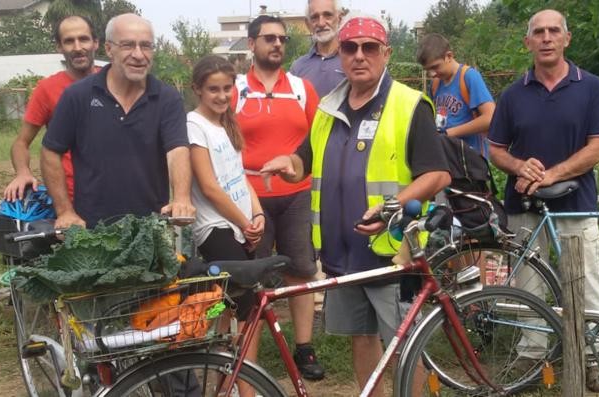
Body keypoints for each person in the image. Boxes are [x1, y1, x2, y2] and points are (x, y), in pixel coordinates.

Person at [261, 14, 451, 396]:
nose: (359, 55)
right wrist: (289, 165)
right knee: (362, 339)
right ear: (341, 54)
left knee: (404, 346)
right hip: (341, 254)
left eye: (369, 48)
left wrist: (391, 206)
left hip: (394, 251)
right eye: (350, 47)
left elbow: (437, 176)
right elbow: (304, 163)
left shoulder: (410, 104)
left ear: (386, 53)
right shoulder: (327, 108)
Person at [487, 9, 599, 392]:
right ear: (527, 42)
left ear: (566, 39)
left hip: (576, 203)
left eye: (553, 31)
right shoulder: (512, 94)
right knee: (528, 285)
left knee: (586, 283)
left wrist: (553, 173)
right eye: (538, 32)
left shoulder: (591, 87)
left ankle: (594, 357)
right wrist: (519, 165)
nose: (545, 38)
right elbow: (495, 150)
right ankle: (531, 356)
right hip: (524, 206)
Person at [233, 15, 325, 381]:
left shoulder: (302, 88)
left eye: (282, 39)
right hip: (248, 198)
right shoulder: (236, 89)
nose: (277, 45)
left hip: (297, 195)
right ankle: (246, 357)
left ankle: (304, 349)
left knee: (301, 272)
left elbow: (318, 141)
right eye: (269, 38)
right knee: (249, 277)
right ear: (251, 43)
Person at [41, 13, 194, 230]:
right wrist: (65, 211)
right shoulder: (78, 96)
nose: (139, 55)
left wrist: (181, 198)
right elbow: (50, 152)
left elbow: (177, 149)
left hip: (150, 228)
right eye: (128, 45)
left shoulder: (167, 98)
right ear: (109, 49)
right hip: (92, 229)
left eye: (146, 46)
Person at [187, 54, 266, 397]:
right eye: (212, 90)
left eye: (227, 88)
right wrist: (245, 222)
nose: (221, 96)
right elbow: (209, 187)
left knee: (236, 307)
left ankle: (231, 383)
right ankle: (240, 387)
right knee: (246, 308)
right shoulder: (194, 125)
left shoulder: (226, 123)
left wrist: (258, 214)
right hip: (216, 228)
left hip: (239, 225)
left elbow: (239, 177)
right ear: (197, 90)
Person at [3, 15, 99, 202]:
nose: (78, 48)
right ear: (59, 47)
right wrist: (23, 173)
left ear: (96, 42)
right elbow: (21, 143)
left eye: (84, 39)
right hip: (69, 198)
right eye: (69, 41)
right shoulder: (46, 89)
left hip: (115, 191)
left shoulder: (115, 83)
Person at [416, 33, 496, 158]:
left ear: (449, 56)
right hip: (446, 158)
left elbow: (490, 118)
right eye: (428, 70)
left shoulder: (469, 76)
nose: (432, 74)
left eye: (435, 67)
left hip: (470, 163)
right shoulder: (436, 83)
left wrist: (448, 133)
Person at [291, 0, 346, 97]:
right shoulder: (298, 68)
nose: (321, 23)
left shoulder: (353, 61)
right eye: (314, 17)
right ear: (308, 24)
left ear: (340, 19)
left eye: (327, 15)